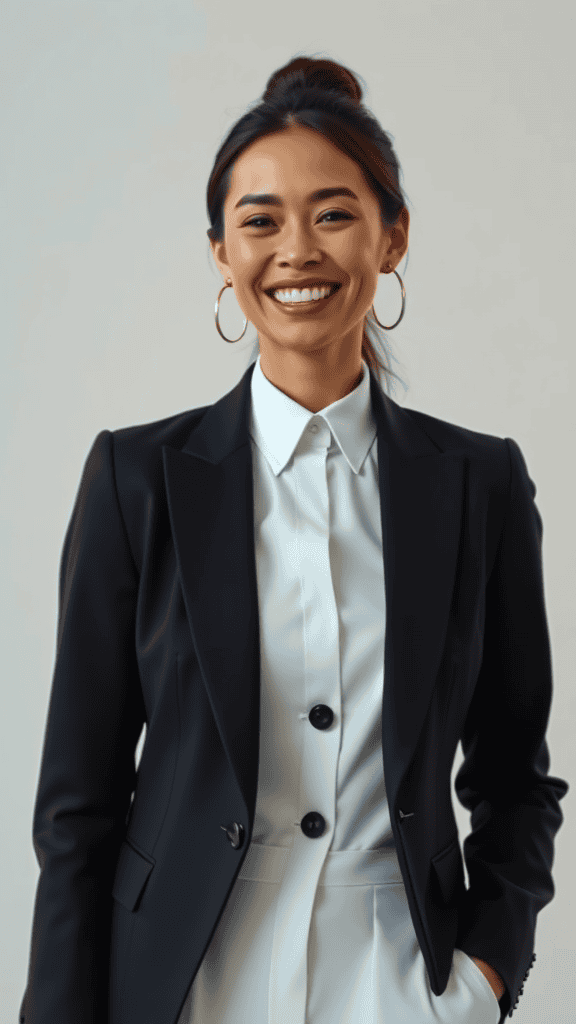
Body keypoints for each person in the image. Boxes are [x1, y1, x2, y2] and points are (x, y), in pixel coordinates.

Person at [19, 55, 569, 1024]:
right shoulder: (134, 480)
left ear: (393, 237)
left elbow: (516, 779)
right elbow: (77, 811)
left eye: (335, 213)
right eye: (260, 219)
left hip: (403, 983)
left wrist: (482, 980)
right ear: (221, 253)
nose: (296, 249)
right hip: (184, 981)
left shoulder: (480, 484)